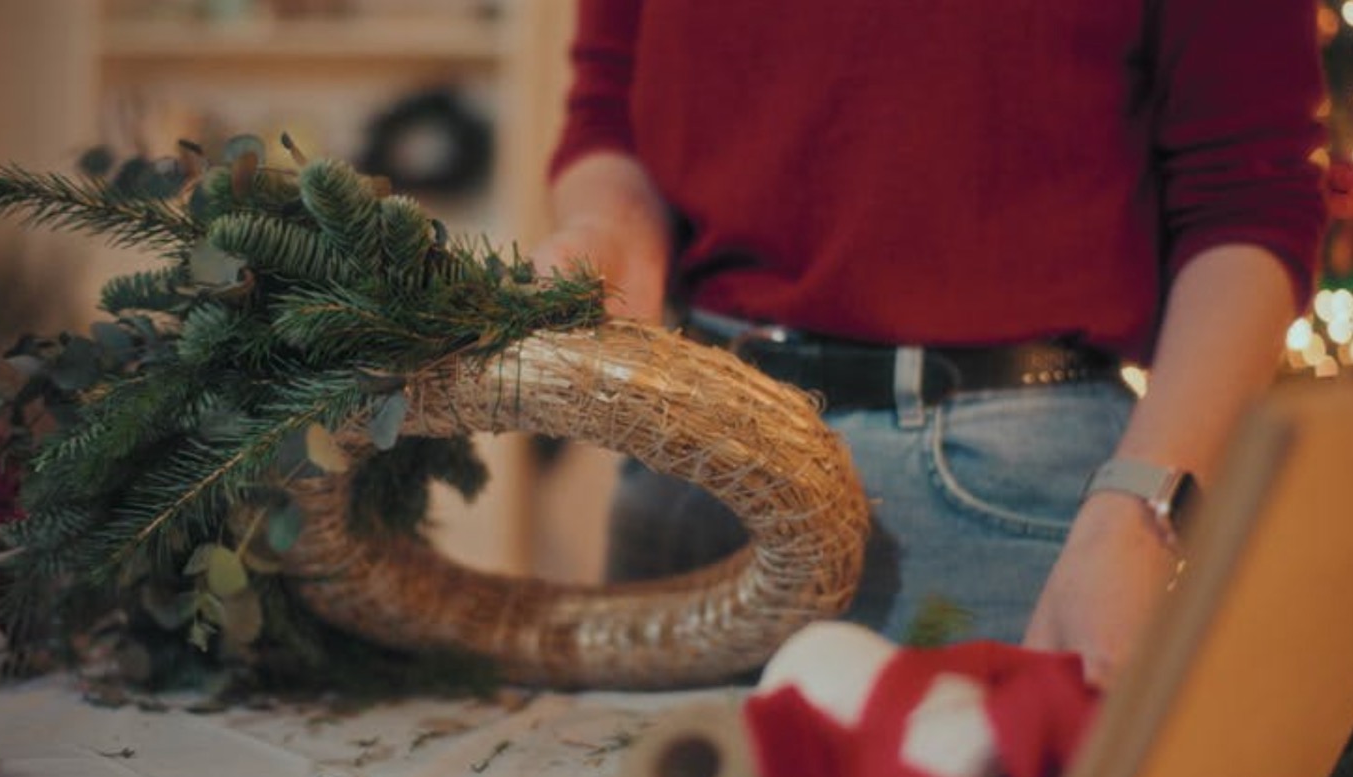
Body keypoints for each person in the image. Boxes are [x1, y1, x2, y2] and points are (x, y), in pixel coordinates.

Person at [529, 0, 1329, 688]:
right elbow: (610, 112)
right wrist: (611, 228)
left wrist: (1142, 513)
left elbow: (1248, 202)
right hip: (695, 461)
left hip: (1004, 502)